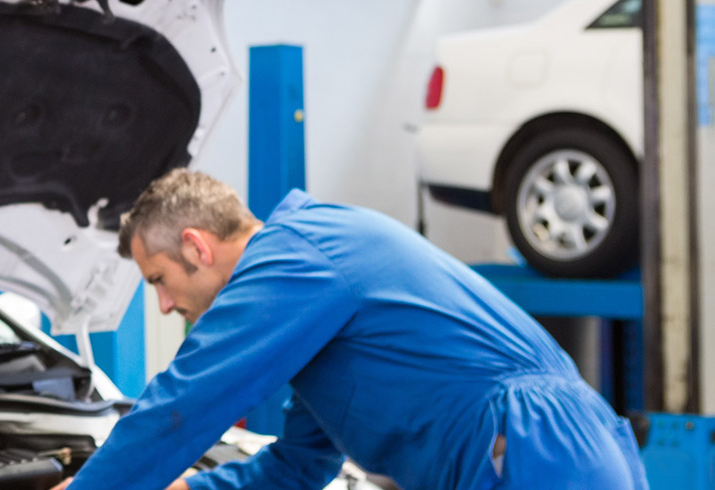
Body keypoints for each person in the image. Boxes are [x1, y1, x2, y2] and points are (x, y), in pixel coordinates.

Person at [59, 170, 643, 490]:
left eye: (158, 279)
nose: (162, 305)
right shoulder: (313, 297)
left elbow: (189, 399)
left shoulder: (298, 255)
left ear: (196, 245)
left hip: (534, 450)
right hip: (545, 445)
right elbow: (296, 469)